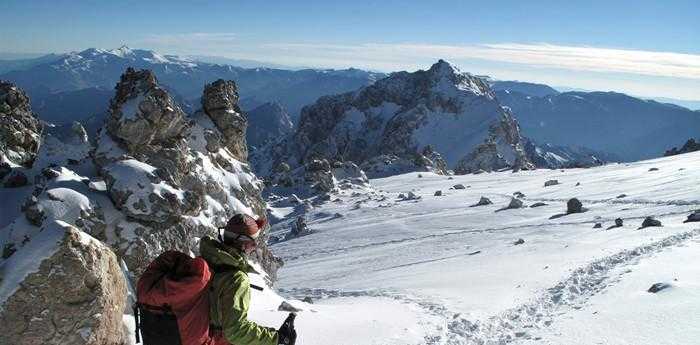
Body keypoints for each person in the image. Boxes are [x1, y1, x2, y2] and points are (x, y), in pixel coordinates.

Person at [200, 213, 297, 345]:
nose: (255, 246)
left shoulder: (206, 261)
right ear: (243, 244)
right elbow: (235, 331)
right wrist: (277, 339)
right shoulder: (236, 279)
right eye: (253, 242)